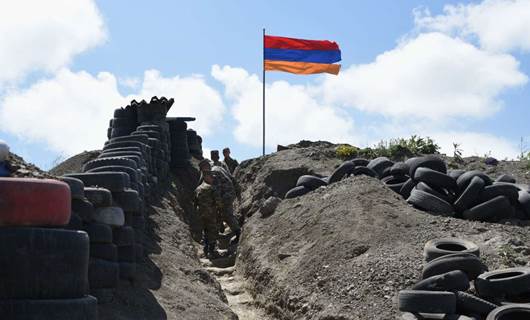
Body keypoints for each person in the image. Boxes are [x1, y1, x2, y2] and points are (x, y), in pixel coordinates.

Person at [198, 159, 241, 242]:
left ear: (205, 167)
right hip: (230, 192)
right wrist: (237, 190)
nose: (203, 172)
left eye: (203, 170)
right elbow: (232, 178)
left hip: (226, 195)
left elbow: (216, 189)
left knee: (226, 214)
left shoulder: (213, 172)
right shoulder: (218, 167)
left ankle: (238, 233)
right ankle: (221, 231)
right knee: (224, 213)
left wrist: (218, 203)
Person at [195, 170, 221, 258]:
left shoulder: (197, 189)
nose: (213, 179)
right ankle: (211, 251)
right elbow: (218, 201)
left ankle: (205, 250)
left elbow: (195, 203)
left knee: (205, 232)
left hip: (201, 214)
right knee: (213, 232)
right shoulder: (211, 188)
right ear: (206, 177)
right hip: (211, 214)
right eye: (211, 177)